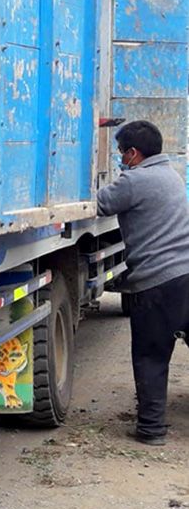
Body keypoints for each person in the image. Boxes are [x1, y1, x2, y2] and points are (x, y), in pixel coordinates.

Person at [97, 120, 189, 446]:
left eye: (121, 152)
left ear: (133, 153)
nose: (120, 158)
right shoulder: (172, 176)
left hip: (156, 283)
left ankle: (151, 430)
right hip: (186, 275)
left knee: (152, 356)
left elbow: (100, 203)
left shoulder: (134, 181)